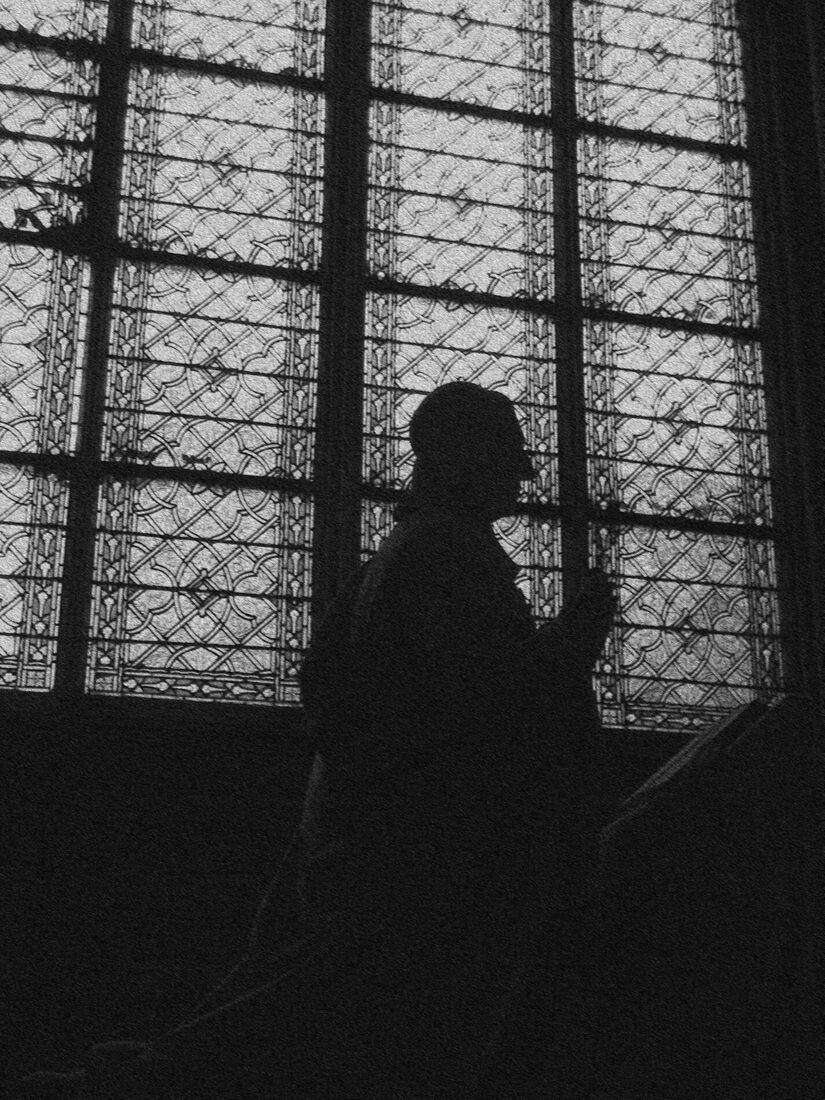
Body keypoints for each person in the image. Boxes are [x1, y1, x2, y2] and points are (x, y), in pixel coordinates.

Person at [12, 381, 616, 1099]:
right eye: (508, 451)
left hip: (375, 830)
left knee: (296, 1005)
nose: (524, 470)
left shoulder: (413, 553)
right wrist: (572, 642)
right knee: (324, 1022)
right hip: (421, 846)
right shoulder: (442, 556)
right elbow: (475, 708)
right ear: (463, 456)